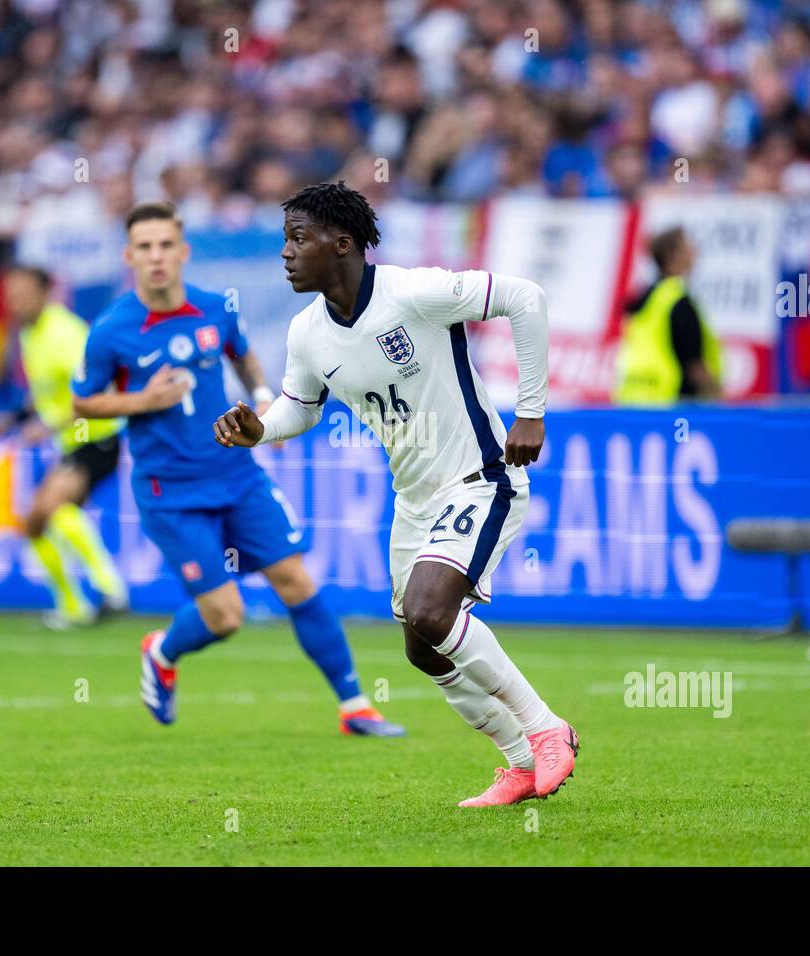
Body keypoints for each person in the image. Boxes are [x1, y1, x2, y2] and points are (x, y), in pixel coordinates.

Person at [214, 182, 577, 806]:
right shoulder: (307, 333)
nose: (287, 253)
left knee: (434, 613)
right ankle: (518, 763)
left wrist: (531, 411)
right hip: (413, 503)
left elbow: (526, 297)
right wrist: (260, 431)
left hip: (480, 475)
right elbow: (299, 409)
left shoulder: (414, 292)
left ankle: (547, 731)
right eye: (285, 240)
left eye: (300, 238)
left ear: (343, 243)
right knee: (422, 648)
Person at [70, 201, 403, 737]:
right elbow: (83, 403)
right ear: (130, 256)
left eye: (165, 245)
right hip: (170, 490)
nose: (157, 256)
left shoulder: (214, 309)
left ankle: (355, 706)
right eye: (145, 247)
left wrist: (264, 398)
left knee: (294, 579)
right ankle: (162, 649)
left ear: (183, 251)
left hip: (235, 473)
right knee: (226, 616)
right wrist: (143, 401)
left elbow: (242, 354)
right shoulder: (111, 330)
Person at [0, 266, 129, 630]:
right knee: (35, 522)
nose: (15, 301)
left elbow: (97, 389)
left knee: (52, 507)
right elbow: (49, 392)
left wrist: (49, 425)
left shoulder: (65, 334)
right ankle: (73, 606)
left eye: (23, 292)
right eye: (11, 294)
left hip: (96, 435)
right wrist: (14, 417)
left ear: (46, 293)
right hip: (72, 438)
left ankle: (111, 588)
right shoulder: (30, 334)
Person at [614, 226, 723, 404]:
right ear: (674, 256)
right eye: (688, 246)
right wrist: (718, 400)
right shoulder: (678, 301)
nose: (695, 252)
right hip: (672, 405)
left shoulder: (645, 299)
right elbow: (695, 365)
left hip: (633, 399)